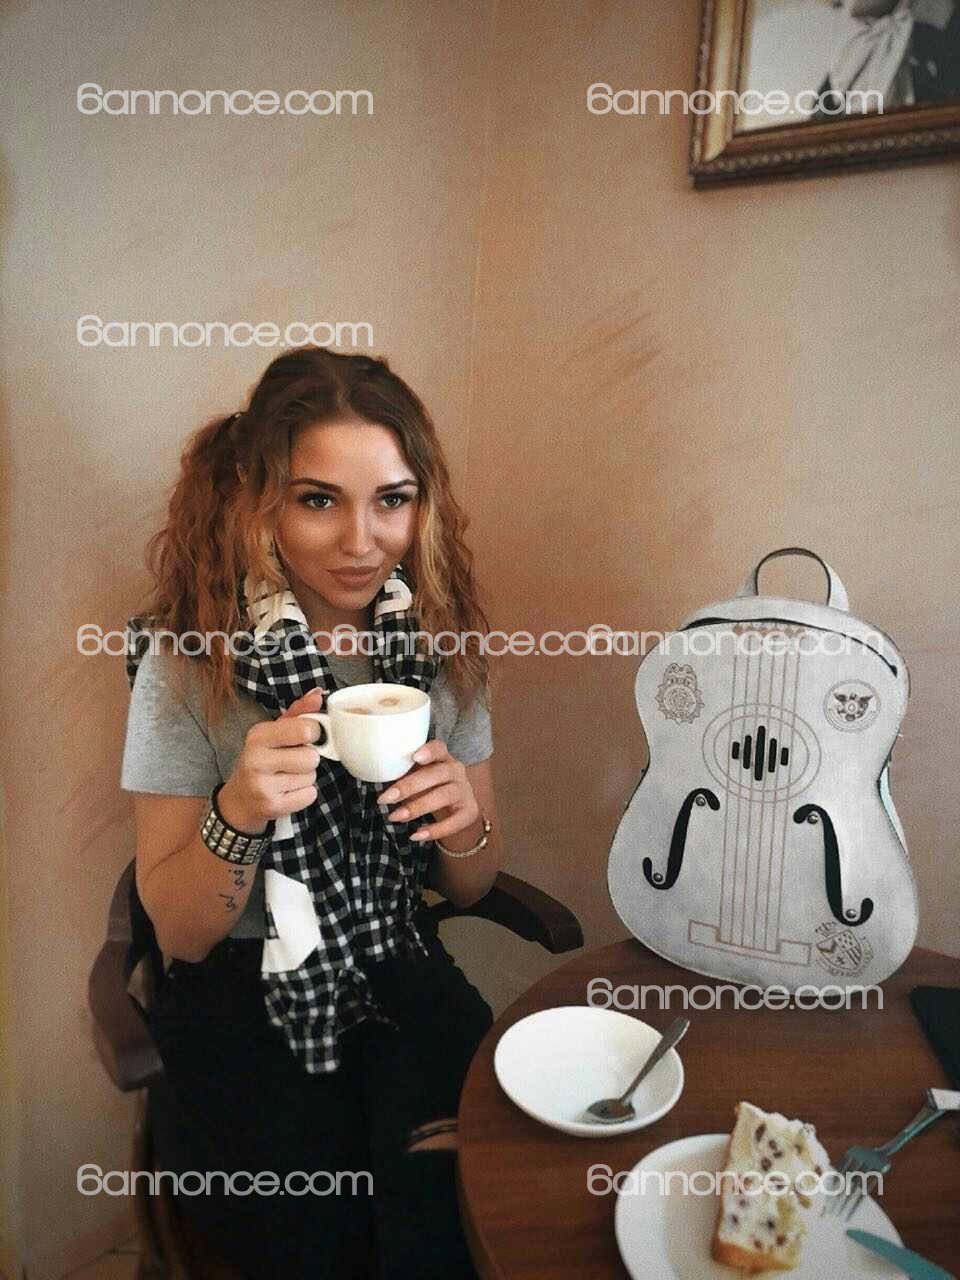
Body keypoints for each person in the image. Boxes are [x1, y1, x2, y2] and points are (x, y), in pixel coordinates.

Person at [119, 346, 500, 1278]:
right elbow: (181, 932)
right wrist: (240, 809)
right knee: (322, 1242)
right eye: (319, 500)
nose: (362, 541)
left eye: (392, 500)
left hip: (397, 962)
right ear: (260, 505)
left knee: (480, 1206)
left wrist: (463, 822)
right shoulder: (189, 663)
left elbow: (473, 882)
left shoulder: (439, 649)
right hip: (241, 994)